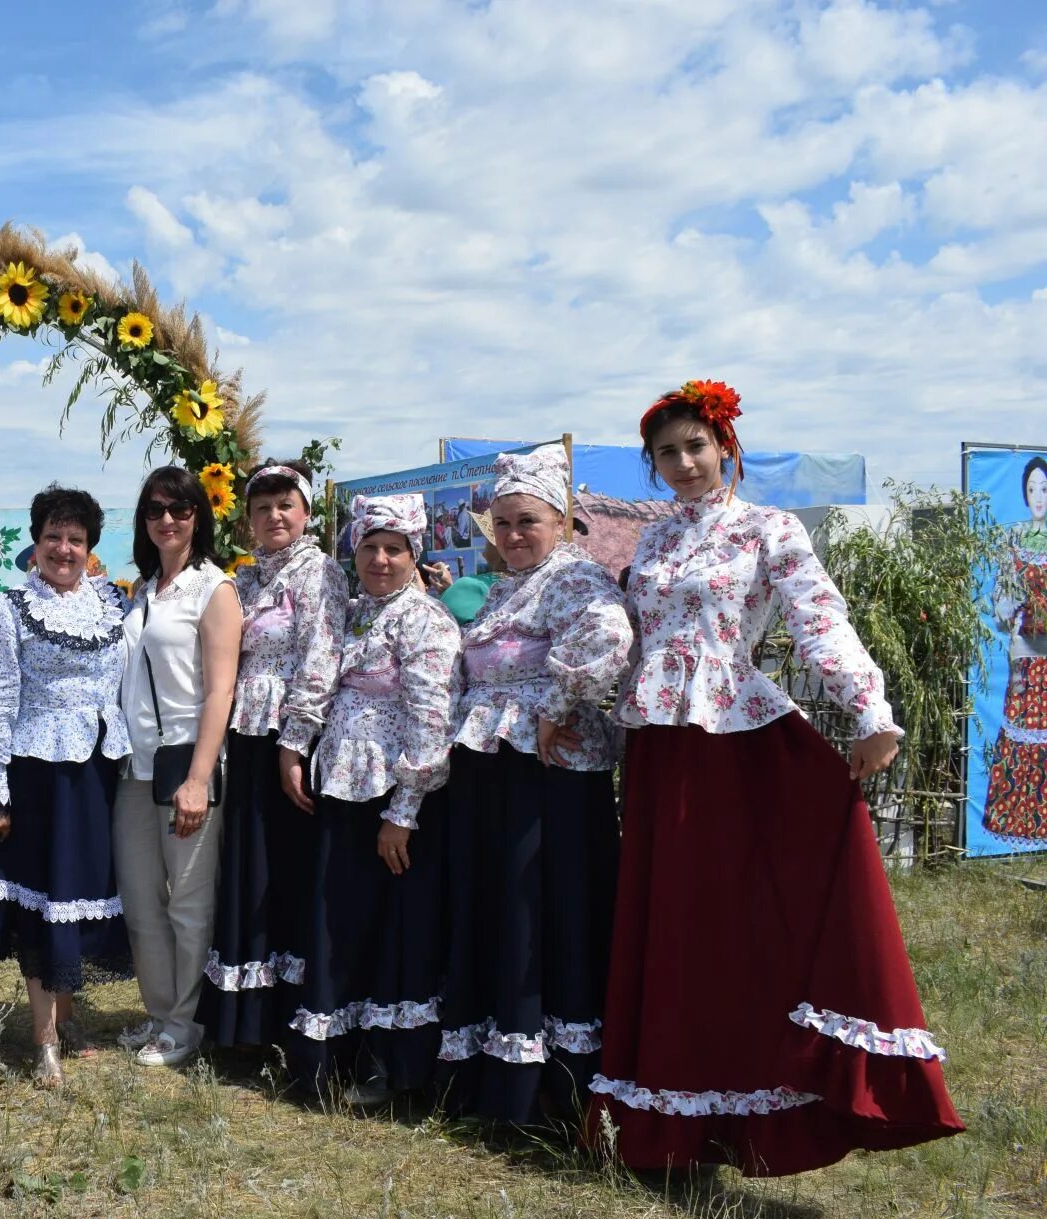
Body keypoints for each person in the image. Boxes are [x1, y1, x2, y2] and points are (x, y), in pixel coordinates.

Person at [591, 379, 962, 1176]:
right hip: (657, 748)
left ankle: (757, 1102)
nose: (685, 463)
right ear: (652, 468)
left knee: (733, 921)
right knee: (671, 921)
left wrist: (872, 716)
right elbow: (629, 644)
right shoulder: (651, 545)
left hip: (733, 741)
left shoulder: (769, 528)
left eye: (697, 446)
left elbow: (817, 616)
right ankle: (669, 1111)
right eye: (667, 453)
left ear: (727, 447)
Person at [437, 446, 632, 1126]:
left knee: (544, 917)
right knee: (501, 912)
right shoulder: (505, 589)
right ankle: (497, 1078)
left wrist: (553, 707)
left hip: (546, 780)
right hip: (493, 773)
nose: (514, 535)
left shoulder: (575, 579)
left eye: (528, 522)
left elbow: (610, 640)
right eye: (503, 524)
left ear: (559, 520)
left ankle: (553, 1090)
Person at [285, 493, 461, 1105]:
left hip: (392, 798)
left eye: (395, 549)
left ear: (416, 555)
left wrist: (403, 813)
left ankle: (394, 1067)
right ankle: (338, 1058)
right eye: (370, 547)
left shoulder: (425, 620)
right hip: (344, 785)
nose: (381, 559)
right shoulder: (358, 612)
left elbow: (431, 721)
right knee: (344, 922)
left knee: (393, 930)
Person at [0, 485, 132, 1090]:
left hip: (94, 772)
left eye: (77, 540)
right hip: (35, 773)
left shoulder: (113, 605)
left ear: (91, 548)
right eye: (54, 537)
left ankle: (67, 1015)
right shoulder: (8, 608)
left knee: (79, 892)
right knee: (41, 902)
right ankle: (45, 1042)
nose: (64, 549)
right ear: (35, 544)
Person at [199, 461, 345, 1054]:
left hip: (293, 736)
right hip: (250, 735)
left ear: (306, 514)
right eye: (262, 508)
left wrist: (296, 742)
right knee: (251, 867)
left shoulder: (322, 574)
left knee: (290, 871)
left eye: (285, 505)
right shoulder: (248, 579)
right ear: (248, 519)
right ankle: (245, 1021)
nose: (274, 517)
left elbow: (323, 655)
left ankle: (291, 1018)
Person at [115, 466, 243, 1068]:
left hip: (186, 760)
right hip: (135, 766)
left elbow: (219, 692)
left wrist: (199, 776)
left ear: (200, 515)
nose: (168, 519)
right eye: (156, 509)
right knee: (141, 900)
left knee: (187, 902)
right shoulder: (143, 590)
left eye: (181, 508)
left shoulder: (213, 589)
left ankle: (187, 1023)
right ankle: (160, 1012)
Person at [980, 456, 1047, 843]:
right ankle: (1019, 818)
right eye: (1032, 489)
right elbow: (1003, 597)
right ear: (1023, 494)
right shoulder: (1015, 539)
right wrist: (1013, 613)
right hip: (1027, 650)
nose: (1038, 497)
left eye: (1044, 488)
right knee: (1025, 726)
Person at [436, 510, 505, 625]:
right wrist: (452, 591)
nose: (484, 545)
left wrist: (419, 593)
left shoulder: (471, 585)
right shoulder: (533, 583)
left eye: (487, 540)